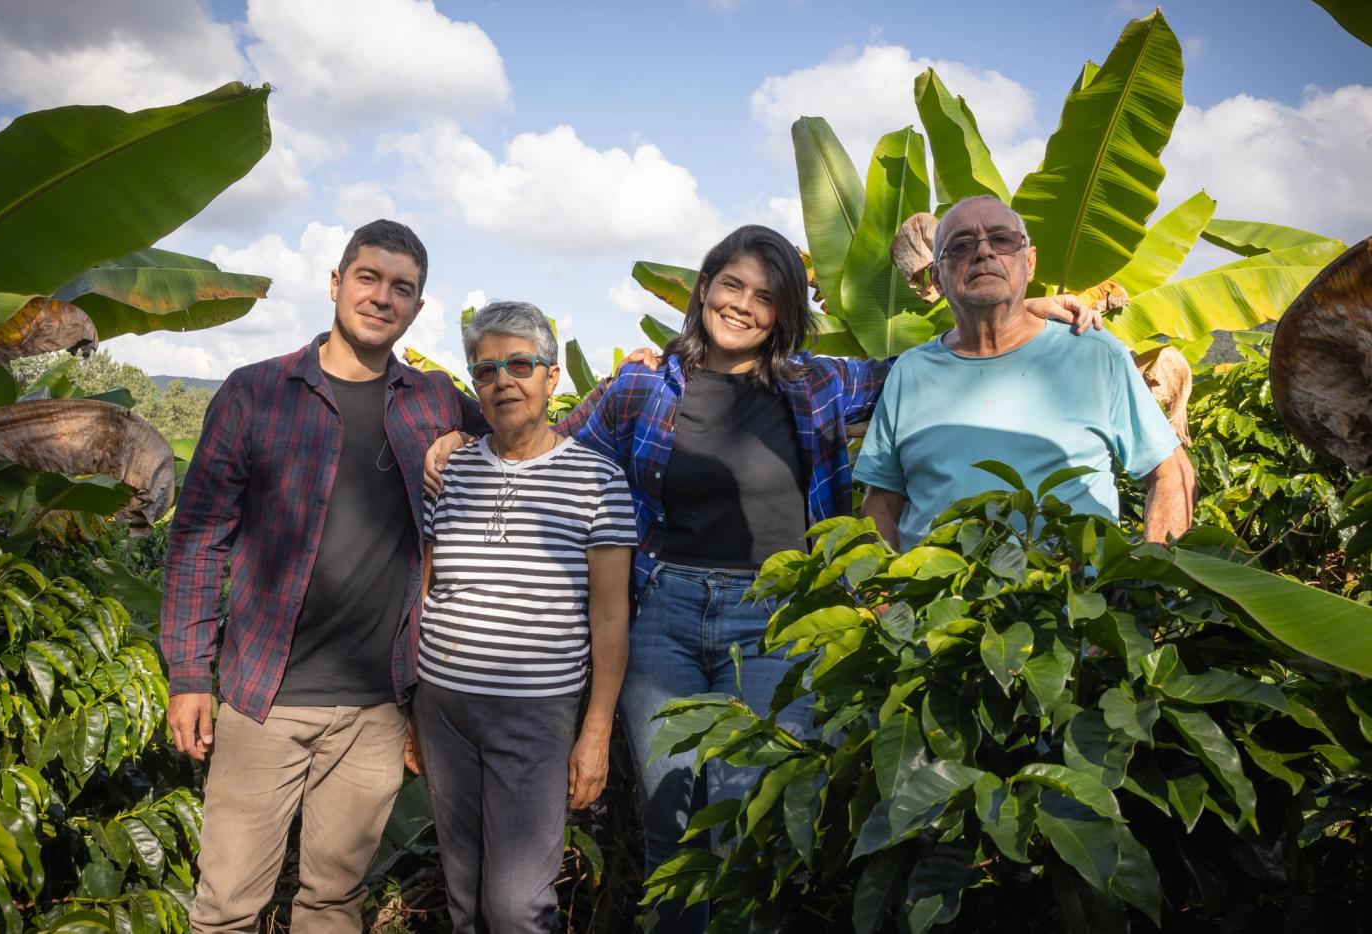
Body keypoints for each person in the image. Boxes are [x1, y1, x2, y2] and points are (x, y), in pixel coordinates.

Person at [547, 223, 1099, 933]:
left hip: (777, 620)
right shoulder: (642, 385)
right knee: (670, 822)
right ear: (704, 288)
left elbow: (928, 364)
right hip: (663, 617)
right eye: (731, 285)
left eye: (766, 296)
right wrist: (457, 439)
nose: (743, 305)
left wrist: (1025, 311)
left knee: (751, 822)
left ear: (784, 312)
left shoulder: (817, 384)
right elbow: (550, 454)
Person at [161, 219, 482, 932]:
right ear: (336, 283)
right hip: (265, 697)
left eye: (402, 288)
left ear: (418, 307)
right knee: (226, 907)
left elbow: (523, 434)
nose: (382, 297)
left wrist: (466, 433)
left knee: (335, 902)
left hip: (377, 707)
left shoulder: (433, 399)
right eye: (368, 278)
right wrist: (188, 674)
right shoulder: (257, 393)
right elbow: (198, 538)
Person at [410, 302, 636, 934]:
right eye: (486, 371)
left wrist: (596, 732)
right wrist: (410, 712)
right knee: (464, 895)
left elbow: (610, 617)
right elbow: (426, 588)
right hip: (443, 707)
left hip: (536, 713)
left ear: (551, 376)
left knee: (516, 906)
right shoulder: (448, 471)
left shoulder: (597, 480)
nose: (503, 381)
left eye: (519, 365)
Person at [856, 195, 1195, 550]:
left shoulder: (1095, 354)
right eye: (961, 246)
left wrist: (1151, 572)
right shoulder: (909, 373)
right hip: (938, 585)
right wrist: (888, 584)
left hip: (1070, 584)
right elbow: (881, 503)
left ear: (1029, 262)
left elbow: (1172, 473)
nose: (984, 252)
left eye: (1001, 240)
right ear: (937, 279)